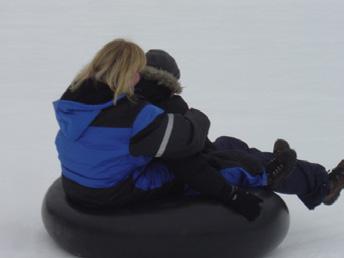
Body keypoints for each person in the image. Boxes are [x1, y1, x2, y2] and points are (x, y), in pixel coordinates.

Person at [134, 49, 344, 211]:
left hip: (173, 163)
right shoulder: (164, 110)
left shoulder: (141, 102)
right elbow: (184, 159)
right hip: (173, 174)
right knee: (247, 163)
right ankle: (323, 186)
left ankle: (273, 160)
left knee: (228, 143)